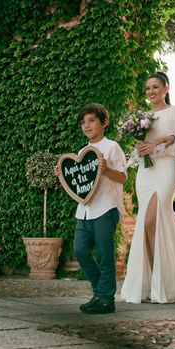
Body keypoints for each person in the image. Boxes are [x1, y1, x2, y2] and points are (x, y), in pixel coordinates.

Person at [121, 72, 175, 303]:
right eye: (147, 88)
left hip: (166, 169)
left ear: (166, 88)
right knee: (148, 224)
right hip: (145, 173)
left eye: (155, 87)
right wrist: (141, 150)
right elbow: (139, 148)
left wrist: (159, 147)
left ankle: (163, 279)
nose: (151, 92)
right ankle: (155, 280)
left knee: (152, 219)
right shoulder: (142, 117)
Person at [69, 103, 127, 314]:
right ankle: (99, 291)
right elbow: (78, 182)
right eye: (83, 122)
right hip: (84, 209)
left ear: (104, 122)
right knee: (80, 250)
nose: (87, 125)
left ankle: (106, 299)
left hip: (105, 207)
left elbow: (122, 177)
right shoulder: (83, 151)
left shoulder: (112, 147)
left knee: (104, 254)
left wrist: (106, 169)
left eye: (92, 120)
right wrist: (64, 174)